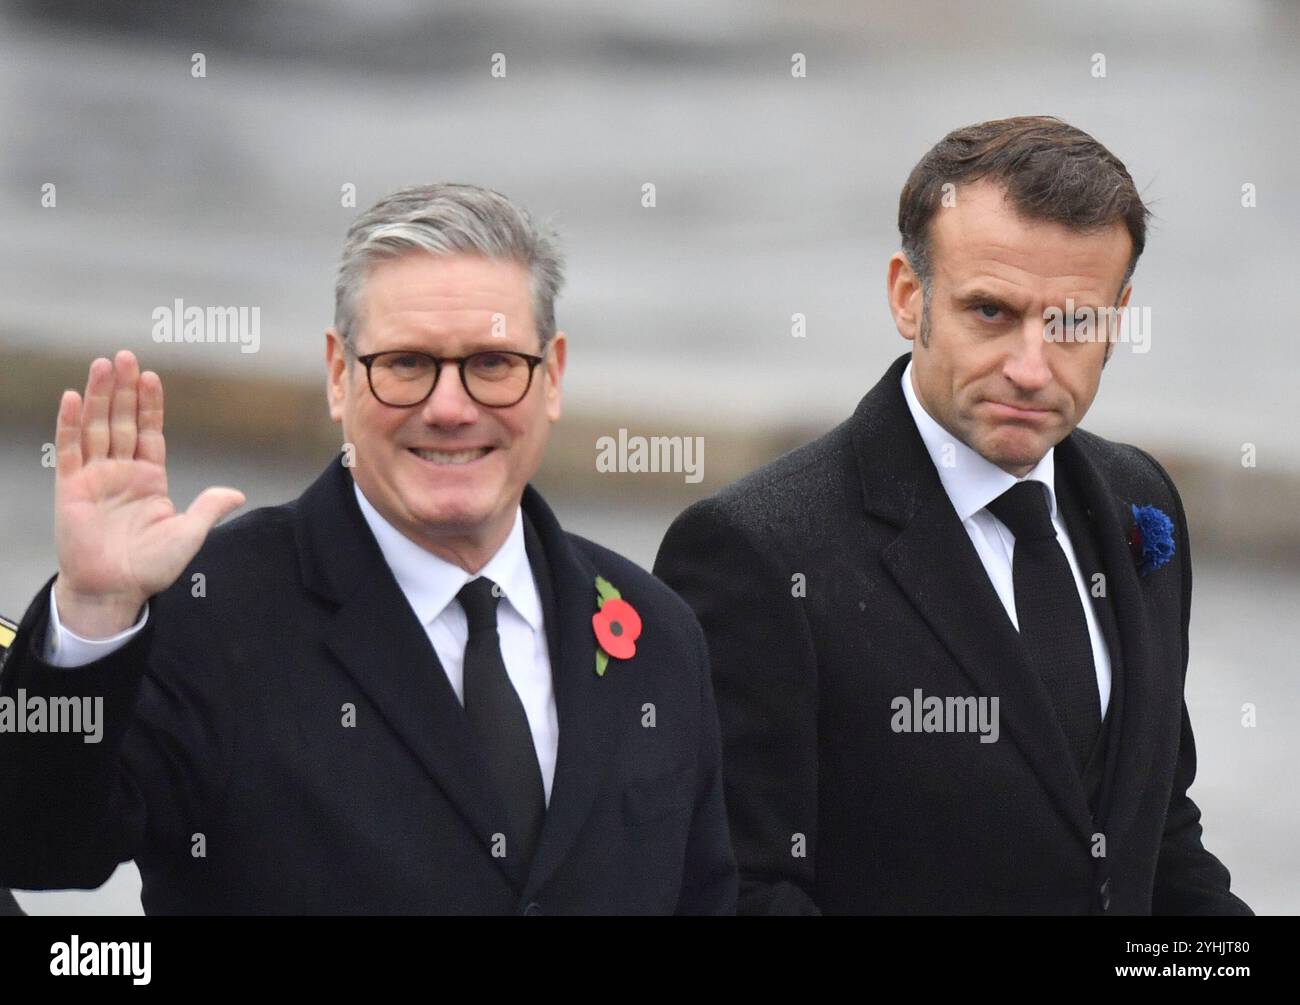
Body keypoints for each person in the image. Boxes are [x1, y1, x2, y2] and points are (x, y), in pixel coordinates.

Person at [0, 183, 736, 915]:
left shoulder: (656, 633)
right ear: (338, 374)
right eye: (407, 364)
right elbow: (42, 848)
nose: (450, 408)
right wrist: (94, 610)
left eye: (492, 363)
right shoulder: (209, 610)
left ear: (553, 376)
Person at [654, 116, 1251, 915]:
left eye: (1074, 322)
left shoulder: (1137, 498)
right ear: (910, 296)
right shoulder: (756, 550)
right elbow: (738, 888)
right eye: (992, 313)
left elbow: (1158, 834)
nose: (1031, 369)